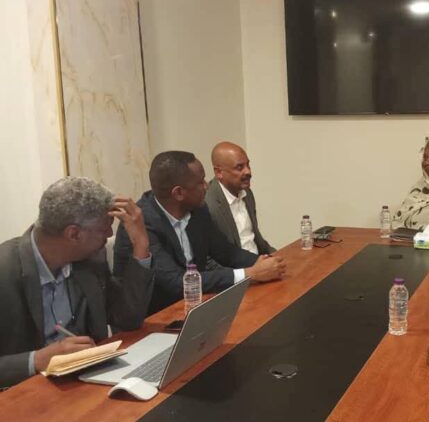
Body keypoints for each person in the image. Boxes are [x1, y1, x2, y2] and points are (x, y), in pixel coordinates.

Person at [0, 177, 153, 388]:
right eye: (104, 229)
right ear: (74, 234)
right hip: (24, 393)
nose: (110, 234)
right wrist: (36, 360)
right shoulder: (5, 270)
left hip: (85, 382)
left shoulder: (89, 260)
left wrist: (141, 245)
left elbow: (128, 319)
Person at [113, 151, 285, 314]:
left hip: (196, 307)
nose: (206, 186)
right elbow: (177, 282)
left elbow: (226, 252)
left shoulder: (198, 210)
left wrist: (268, 263)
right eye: (200, 182)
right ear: (178, 193)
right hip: (154, 319)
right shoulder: (140, 224)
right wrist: (249, 273)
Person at [205, 141, 275, 255]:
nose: (248, 171)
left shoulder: (247, 193)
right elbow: (211, 257)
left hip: (258, 259)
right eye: (239, 167)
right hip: (235, 265)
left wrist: (277, 256)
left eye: (248, 165)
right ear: (219, 172)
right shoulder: (207, 203)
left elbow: (255, 239)